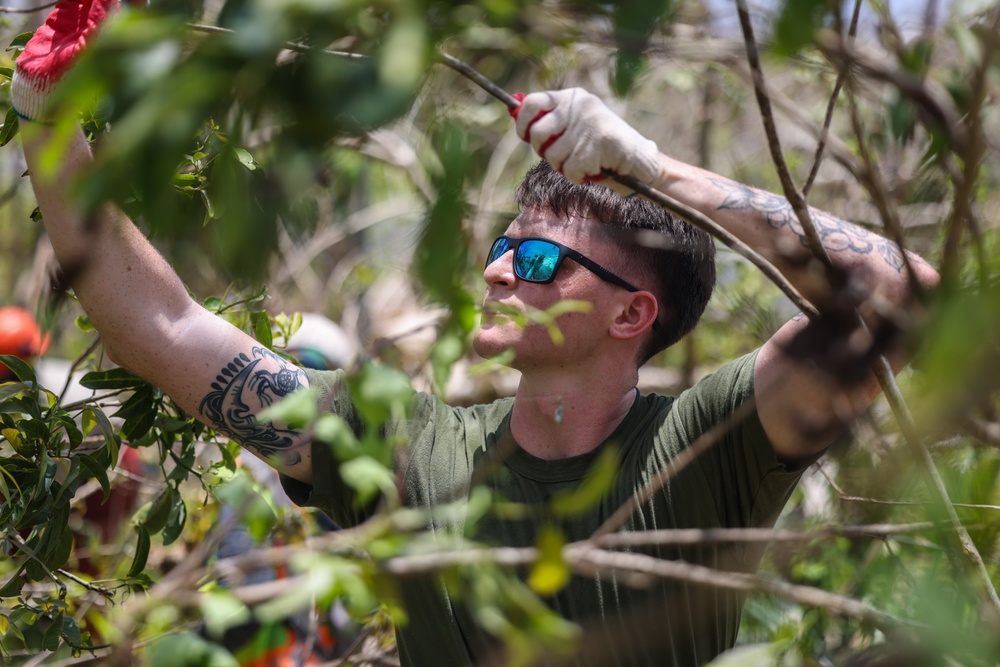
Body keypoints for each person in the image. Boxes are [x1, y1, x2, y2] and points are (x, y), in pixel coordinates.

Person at [12, 2, 939, 666]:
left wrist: (654, 170)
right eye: (502, 246)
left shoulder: (711, 443)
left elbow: (904, 296)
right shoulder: (405, 448)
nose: (497, 270)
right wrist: (49, 121)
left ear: (632, 313)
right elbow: (160, 326)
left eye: (537, 261)